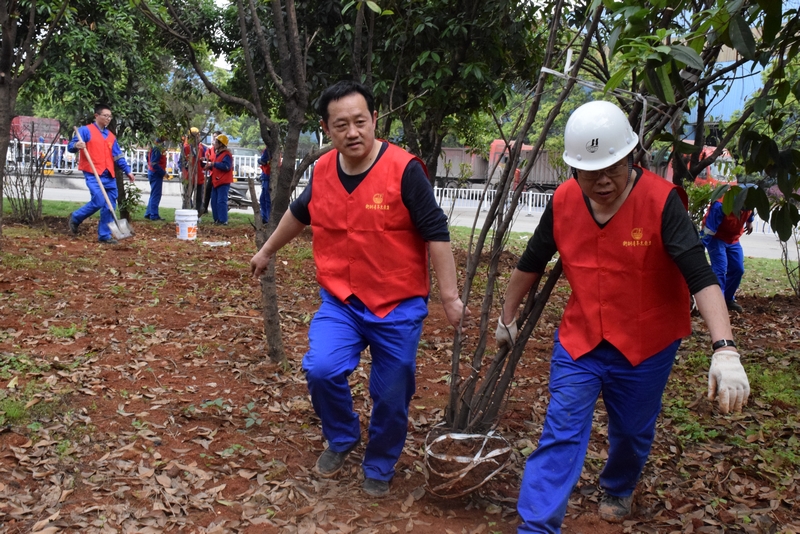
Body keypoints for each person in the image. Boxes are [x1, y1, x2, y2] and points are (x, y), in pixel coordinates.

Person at [495, 101, 750, 532]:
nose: (603, 181)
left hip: (647, 342)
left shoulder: (661, 201)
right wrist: (506, 316)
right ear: (574, 169)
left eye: (612, 167)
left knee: (631, 432)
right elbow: (532, 262)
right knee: (560, 434)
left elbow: (701, 275)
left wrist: (725, 350)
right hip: (582, 340)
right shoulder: (564, 201)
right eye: (590, 172)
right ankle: (536, 526)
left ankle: (618, 484)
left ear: (631, 157)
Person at [249, 80, 467, 498]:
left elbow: (437, 232)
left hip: (397, 303)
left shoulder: (405, 170)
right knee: (321, 368)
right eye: (341, 125)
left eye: (360, 122)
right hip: (343, 300)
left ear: (375, 120)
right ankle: (343, 435)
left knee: (391, 391)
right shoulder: (325, 169)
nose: (353, 132)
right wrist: (267, 251)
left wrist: (450, 297)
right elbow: (299, 212)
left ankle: (381, 463)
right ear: (326, 129)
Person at [67, 104, 136, 244]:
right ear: (96, 116)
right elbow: (71, 146)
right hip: (93, 173)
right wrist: (76, 145)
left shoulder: (110, 136)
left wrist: (127, 171)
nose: (108, 118)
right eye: (105, 115)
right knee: (99, 200)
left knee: (110, 205)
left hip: (109, 174)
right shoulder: (85, 131)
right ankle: (76, 217)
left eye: (110, 116)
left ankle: (104, 235)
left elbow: (118, 156)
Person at [700, 197, 754, 313]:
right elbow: (709, 230)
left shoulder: (751, 201)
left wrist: (750, 222)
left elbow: (751, 212)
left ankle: (727, 300)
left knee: (738, 269)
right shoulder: (720, 205)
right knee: (719, 270)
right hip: (716, 238)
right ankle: (716, 304)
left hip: (733, 239)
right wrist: (699, 248)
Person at [205, 133, 233, 225]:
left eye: (216, 142)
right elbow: (217, 166)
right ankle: (216, 219)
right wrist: (210, 167)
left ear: (221, 144)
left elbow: (227, 166)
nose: (215, 143)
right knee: (214, 201)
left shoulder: (227, 155)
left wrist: (214, 164)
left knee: (221, 201)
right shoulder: (218, 154)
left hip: (223, 182)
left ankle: (223, 220)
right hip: (216, 181)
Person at [182, 127, 207, 214]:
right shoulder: (186, 148)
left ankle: (197, 214)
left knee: (199, 198)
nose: (197, 137)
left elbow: (205, 161)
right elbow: (181, 162)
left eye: (198, 136)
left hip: (199, 177)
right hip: (188, 177)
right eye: (195, 136)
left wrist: (203, 160)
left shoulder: (202, 148)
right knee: (187, 198)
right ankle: (185, 213)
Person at [144, 135, 168, 221]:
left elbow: (148, 157)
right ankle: (154, 215)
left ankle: (148, 213)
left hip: (152, 172)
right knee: (156, 194)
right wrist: (163, 173)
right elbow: (154, 163)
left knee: (153, 194)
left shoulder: (154, 144)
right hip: (156, 173)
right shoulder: (158, 147)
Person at [258, 145, 272, 224]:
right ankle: (265, 218)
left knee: (266, 199)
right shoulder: (274, 149)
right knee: (264, 199)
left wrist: (260, 161)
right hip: (266, 176)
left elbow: (262, 160)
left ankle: (267, 218)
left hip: (267, 176)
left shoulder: (269, 149)